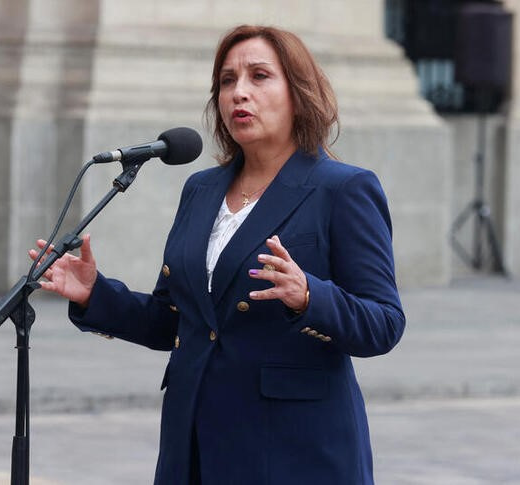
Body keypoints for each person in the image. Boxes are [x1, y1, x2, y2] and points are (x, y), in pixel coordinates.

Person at [30, 24, 405, 485]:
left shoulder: (343, 189)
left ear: (298, 92)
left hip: (294, 451)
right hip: (194, 444)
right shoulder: (201, 190)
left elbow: (384, 323)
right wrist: (94, 294)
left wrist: (310, 297)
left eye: (259, 76)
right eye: (227, 81)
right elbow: (179, 322)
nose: (238, 93)